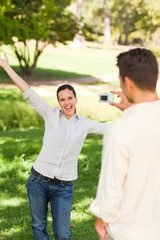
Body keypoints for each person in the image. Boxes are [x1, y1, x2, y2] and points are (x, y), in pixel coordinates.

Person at [0, 53, 126, 240]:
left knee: (63, 234)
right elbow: (27, 91)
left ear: (76, 100)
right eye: (62, 99)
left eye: (69, 98)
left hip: (63, 187)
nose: (67, 102)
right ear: (58, 103)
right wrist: (6, 67)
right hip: (38, 181)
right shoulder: (50, 115)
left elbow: (116, 130)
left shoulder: (84, 124)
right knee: (39, 228)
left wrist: (124, 107)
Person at [90, 48, 160, 240]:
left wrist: (101, 220)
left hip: (130, 232)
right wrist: (133, 108)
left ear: (127, 82)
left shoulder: (119, 131)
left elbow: (110, 191)